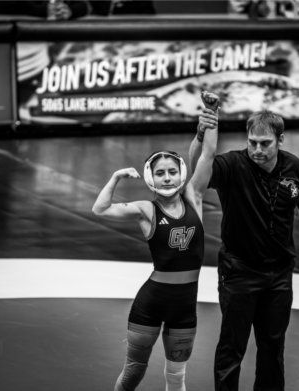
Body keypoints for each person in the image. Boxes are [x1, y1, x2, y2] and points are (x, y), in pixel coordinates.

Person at [188, 110, 299, 391]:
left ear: (280, 140)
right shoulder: (232, 165)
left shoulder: (296, 168)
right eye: (252, 142)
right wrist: (200, 135)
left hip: (279, 274)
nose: (257, 149)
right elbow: (198, 169)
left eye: (265, 143)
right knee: (232, 347)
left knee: (273, 346)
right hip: (239, 271)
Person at [92, 105, 218, 391]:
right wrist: (115, 178)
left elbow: (207, 155)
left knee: (177, 377)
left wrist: (211, 118)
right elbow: (100, 209)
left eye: (172, 172)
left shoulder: (194, 199)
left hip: (185, 308)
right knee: (134, 370)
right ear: (151, 177)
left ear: (180, 174)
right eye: (160, 173)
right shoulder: (146, 210)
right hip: (150, 304)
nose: (167, 177)